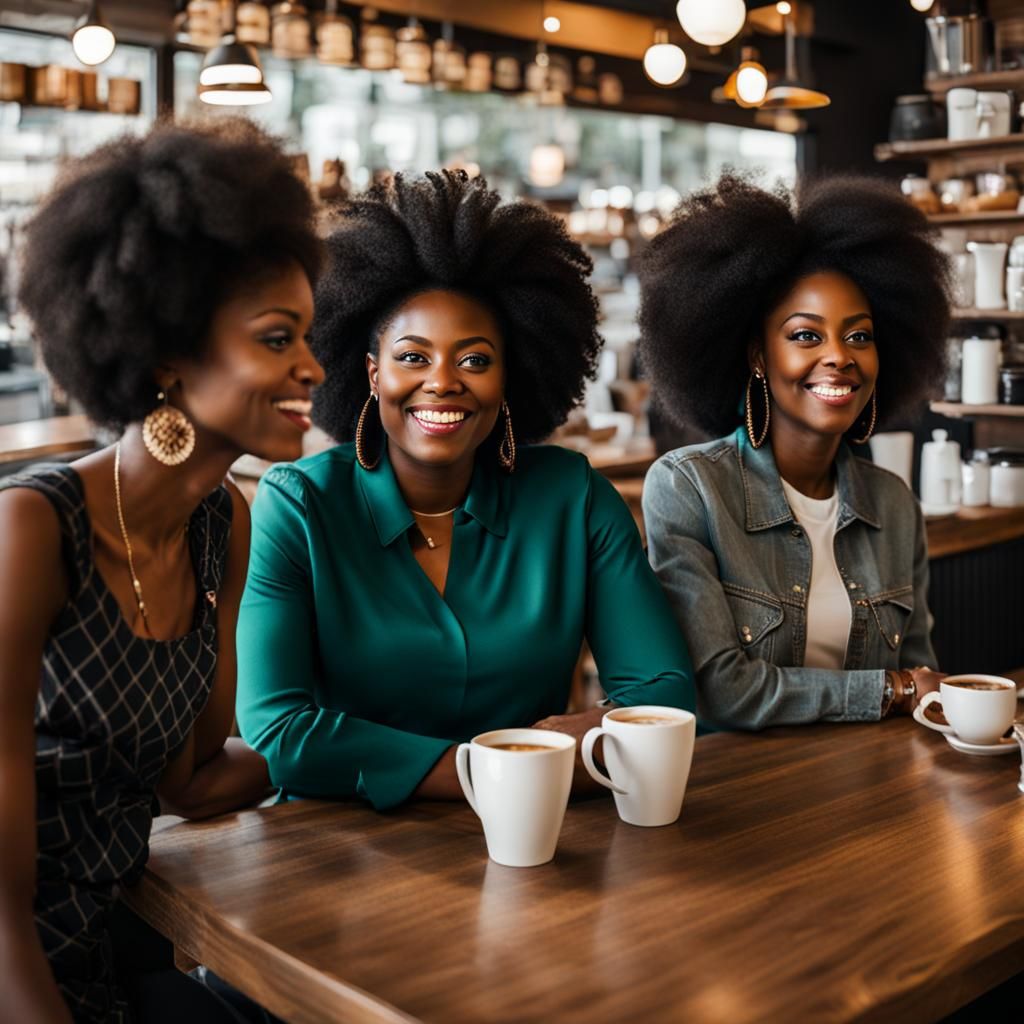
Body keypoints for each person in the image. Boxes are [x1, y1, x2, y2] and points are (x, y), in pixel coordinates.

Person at [236, 170, 695, 810]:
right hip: (340, 845)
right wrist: (502, 770)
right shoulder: (300, 506)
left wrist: (552, 760)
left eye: (475, 360)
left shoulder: (574, 499)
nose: (443, 381)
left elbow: (664, 696)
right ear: (372, 373)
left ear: (508, 377)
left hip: (537, 838)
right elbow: (278, 733)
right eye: (412, 357)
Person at [0, 119, 324, 1023]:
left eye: (307, 335)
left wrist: (387, 727)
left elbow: (190, 781)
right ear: (168, 358)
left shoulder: (223, 522)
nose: (312, 366)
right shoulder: (32, 529)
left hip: (120, 945)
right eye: (278, 338)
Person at [638, 173, 950, 731]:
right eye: (806, 335)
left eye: (859, 336)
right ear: (758, 355)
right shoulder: (690, 489)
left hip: (873, 774)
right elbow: (723, 692)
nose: (839, 356)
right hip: (744, 781)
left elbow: (922, 679)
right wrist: (891, 689)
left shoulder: (894, 504)